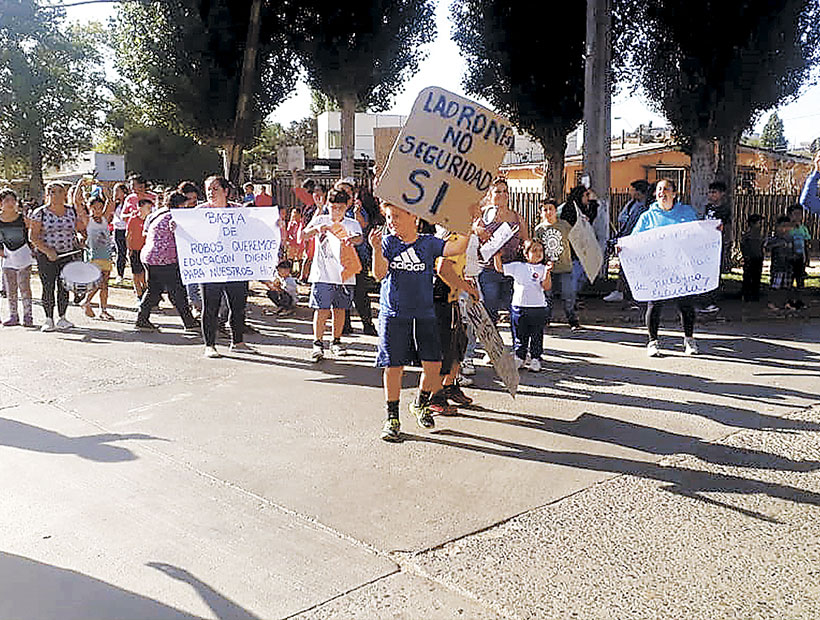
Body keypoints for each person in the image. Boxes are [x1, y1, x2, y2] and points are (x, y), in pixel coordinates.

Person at [370, 202, 471, 443]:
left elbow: (456, 247)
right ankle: (392, 418)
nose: (391, 221)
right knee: (394, 366)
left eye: (396, 216)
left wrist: (469, 221)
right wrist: (375, 249)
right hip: (394, 314)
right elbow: (379, 274)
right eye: (389, 216)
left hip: (424, 314)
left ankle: (421, 403)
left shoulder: (427, 243)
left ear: (413, 216)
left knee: (433, 365)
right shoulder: (387, 242)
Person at [629, 179, 703, 357]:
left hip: (682, 268)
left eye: (666, 189)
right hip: (658, 269)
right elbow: (635, 239)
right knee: (654, 305)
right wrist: (624, 247)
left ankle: (689, 340)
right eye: (659, 189)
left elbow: (699, 233)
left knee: (685, 305)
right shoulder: (647, 216)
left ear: (674, 193)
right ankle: (653, 342)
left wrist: (714, 230)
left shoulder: (686, 212)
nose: (662, 192)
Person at [301, 188, 363, 361]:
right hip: (323, 274)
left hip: (344, 275)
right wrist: (317, 228)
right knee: (321, 309)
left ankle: (336, 341)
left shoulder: (351, 223)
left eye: (340, 208)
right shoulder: (321, 219)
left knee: (340, 309)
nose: (336, 211)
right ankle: (317, 342)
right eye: (333, 207)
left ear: (346, 207)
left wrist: (352, 239)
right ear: (328, 205)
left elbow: (359, 238)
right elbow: (302, 235)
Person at [197, 176, 252, 357]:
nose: (211, 193)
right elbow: (189, 232)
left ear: (226, 191)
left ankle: (238, 341)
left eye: (215, 189)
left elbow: (255, 231)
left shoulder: (239, 211)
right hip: (211, 268)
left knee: (238, 305)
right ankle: (209, 345)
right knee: (211, 306)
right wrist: (178, 227)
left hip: (236, 267)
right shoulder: (199, 212)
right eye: (208, 189)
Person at [428, 228, 477, 415]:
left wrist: (465, 283)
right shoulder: (453, 238)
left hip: (453, 299)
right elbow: (443, 269)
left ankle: (450, 386)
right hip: (440, 299)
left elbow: (456, 269)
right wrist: (467, 288)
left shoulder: (464, 238)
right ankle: (434, 396)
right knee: (444, 351)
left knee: (459, 345)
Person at [135, 191, 198, 333]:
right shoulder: (174, 217)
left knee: (154, 290)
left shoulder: (160, 213)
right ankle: (188, 322)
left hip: (150, 256)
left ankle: (142, 319)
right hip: (164, 259)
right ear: (180, 205)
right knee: (177, 291)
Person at [29, 182, 85, 332]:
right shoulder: (40, 212)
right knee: (48, 286)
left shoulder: (71, 211)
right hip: (46, 256)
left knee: (64, 287)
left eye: (60, 191)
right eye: (53, 192)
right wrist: (47, 251)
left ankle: (62, 317)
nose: (57, 194)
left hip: (66, 254)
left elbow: (79, 229)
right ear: (48, 194)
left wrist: (79, 238)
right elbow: (33, 236)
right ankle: (48, 319)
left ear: (65, 194)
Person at [475, 177, 528, 325]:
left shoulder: (516, 217)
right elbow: (467, 233)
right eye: (498, 191)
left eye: (505, 191)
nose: (502, 195)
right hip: (488, 270)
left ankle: (519, 345)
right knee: (490, 311)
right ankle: (494, 346)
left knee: (515, 310)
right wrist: (477, 230)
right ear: (490, 194)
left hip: (511, 270)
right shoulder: (481, 215)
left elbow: (526, 240)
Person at [503, 239, 552, 371]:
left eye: (541, 250)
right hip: (519, 306)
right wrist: (496, 254)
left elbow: (546, 286)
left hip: (538, 307)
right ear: (525, 253)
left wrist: (547, 272)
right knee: (520, 333)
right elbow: (500, 269)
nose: (538, 254)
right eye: (534, 250)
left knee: (537, 334)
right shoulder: (517, 266)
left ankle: (535, 358)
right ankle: (520, 357)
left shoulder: (543, 268)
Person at [533, 199, 580, 330]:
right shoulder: (539, 229)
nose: (548, 212)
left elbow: (577, 236)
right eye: (545, 209)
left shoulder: (564, 225)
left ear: (555, 211)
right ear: (541, 213)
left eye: (551, 209)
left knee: (568, 295)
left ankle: (572, 319)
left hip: (565, 267)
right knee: (547, 296)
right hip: (547, 269)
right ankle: (546, 319)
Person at [73, 180, 115, 320]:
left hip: (106, 255)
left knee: (105, 285)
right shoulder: (87, 220)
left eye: (99, 207)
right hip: (93, 255)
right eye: (94, 207)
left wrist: (103, 186)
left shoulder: (104, 219)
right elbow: (77, 203)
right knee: (99, 282)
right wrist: (80, 185)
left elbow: (110, 200)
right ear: (90, 208)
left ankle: (103, 310)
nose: (97, 210)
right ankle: (86, 301)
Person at [604, 180, 649, 302]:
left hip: (636, 239)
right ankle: (620, 291)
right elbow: (622, 217)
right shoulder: (632, 204)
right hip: (625, 237)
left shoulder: (645, 207)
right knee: (623, 267)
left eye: (633, 190)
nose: (631, 193)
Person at [0, 188, 34, 327]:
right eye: (6, 200)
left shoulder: (23, 219)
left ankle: (28, 315)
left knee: (25, 287)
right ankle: (13, 315)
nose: (10, 203)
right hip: (7, 257)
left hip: (23, 255)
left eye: (13, 200)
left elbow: (31, 235)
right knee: (11, 288)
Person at [765, 215, 799, 311]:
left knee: (787, 286)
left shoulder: (790, 239)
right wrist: (778, 244)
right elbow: (767, 246)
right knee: (775, 286)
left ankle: (785, 303)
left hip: (788, 267)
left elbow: (793, 251)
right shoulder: (774, 238)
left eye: (788, 226)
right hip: (777, 267)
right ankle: (772, 302)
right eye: (783, 226)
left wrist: (794, 256)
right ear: (778, 227)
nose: (785, 229)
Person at [126, 198, 151, 301]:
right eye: (148, 207)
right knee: (136, 274)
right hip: (135, 250)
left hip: (145, 250)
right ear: (140, 208)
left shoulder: (149, 220)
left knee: (145, 274)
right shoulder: (133, 219)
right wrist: (129, 248)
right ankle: (139, 295)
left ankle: (146, 290)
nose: (150, 210)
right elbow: (128, 234)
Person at [740, 214, 764, 303]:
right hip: (750, 259)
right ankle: (746, 295)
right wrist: (746, 256)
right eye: (758, 222)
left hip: (758, 258)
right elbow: (743, 246)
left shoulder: (759, 234)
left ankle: (755, 294)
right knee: (748, 277)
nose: (760, 225)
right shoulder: (748, 235)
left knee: (756, 277)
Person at [787, 204, 810, 291]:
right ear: (789, 215)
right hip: (790, 255)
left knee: (800, 275)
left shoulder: (803, 228)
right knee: (790, 274)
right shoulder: (787, 228)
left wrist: (806, 256)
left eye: (799, 214)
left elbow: (806, 241)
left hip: (800, 255)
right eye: (795, 214)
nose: (798, 216)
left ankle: (800, 289)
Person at [110, 182, 129, 285]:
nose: (115, 193)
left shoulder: (128, 203)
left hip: (128, 229)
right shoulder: (116, 204)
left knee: (130, 252)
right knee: (120, 252)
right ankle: (120, 275)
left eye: (117, 191)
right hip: (118, 230)